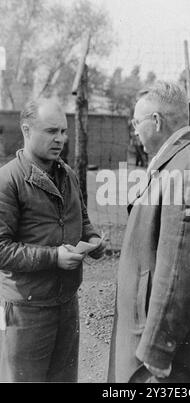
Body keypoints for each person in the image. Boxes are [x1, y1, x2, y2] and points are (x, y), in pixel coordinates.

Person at [108, 81, 190, 383]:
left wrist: (158, 348)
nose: (135, 131)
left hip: (169, 356)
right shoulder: (177, 162)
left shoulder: (187, 167)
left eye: (136, 123)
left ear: (155, 122)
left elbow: (183, 267)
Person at [0, 98, 105, 382]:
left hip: (66, 303)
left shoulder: (67, 173)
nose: (60, 139)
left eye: (63, 131)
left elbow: (81, 220)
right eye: (50, 131)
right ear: (25, 129)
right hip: (28, 308)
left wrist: (94, 239)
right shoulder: (8, 180)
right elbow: (1, 249)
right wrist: (54, 257)